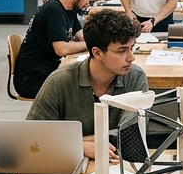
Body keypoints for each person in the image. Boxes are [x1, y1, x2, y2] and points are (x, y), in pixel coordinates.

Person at [27, 9, 148, 160]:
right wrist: (78, 145)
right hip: (68, 163)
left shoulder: (136, 77)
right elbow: (32, 137)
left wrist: (73, 140)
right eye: (122, 51)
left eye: (132, 48)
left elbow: (132, 136)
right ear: (97, 53)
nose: (132, 57)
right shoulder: (59, 81)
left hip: (117, 163)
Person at [13, 0, 93, 99]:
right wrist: (89, 44)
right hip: (31, 78)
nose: (88, 3)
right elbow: (61, 49)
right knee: (82, 85)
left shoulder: (69, 10)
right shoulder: (54, 11)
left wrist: (96, 41)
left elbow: (82, 36)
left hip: (47, 69)